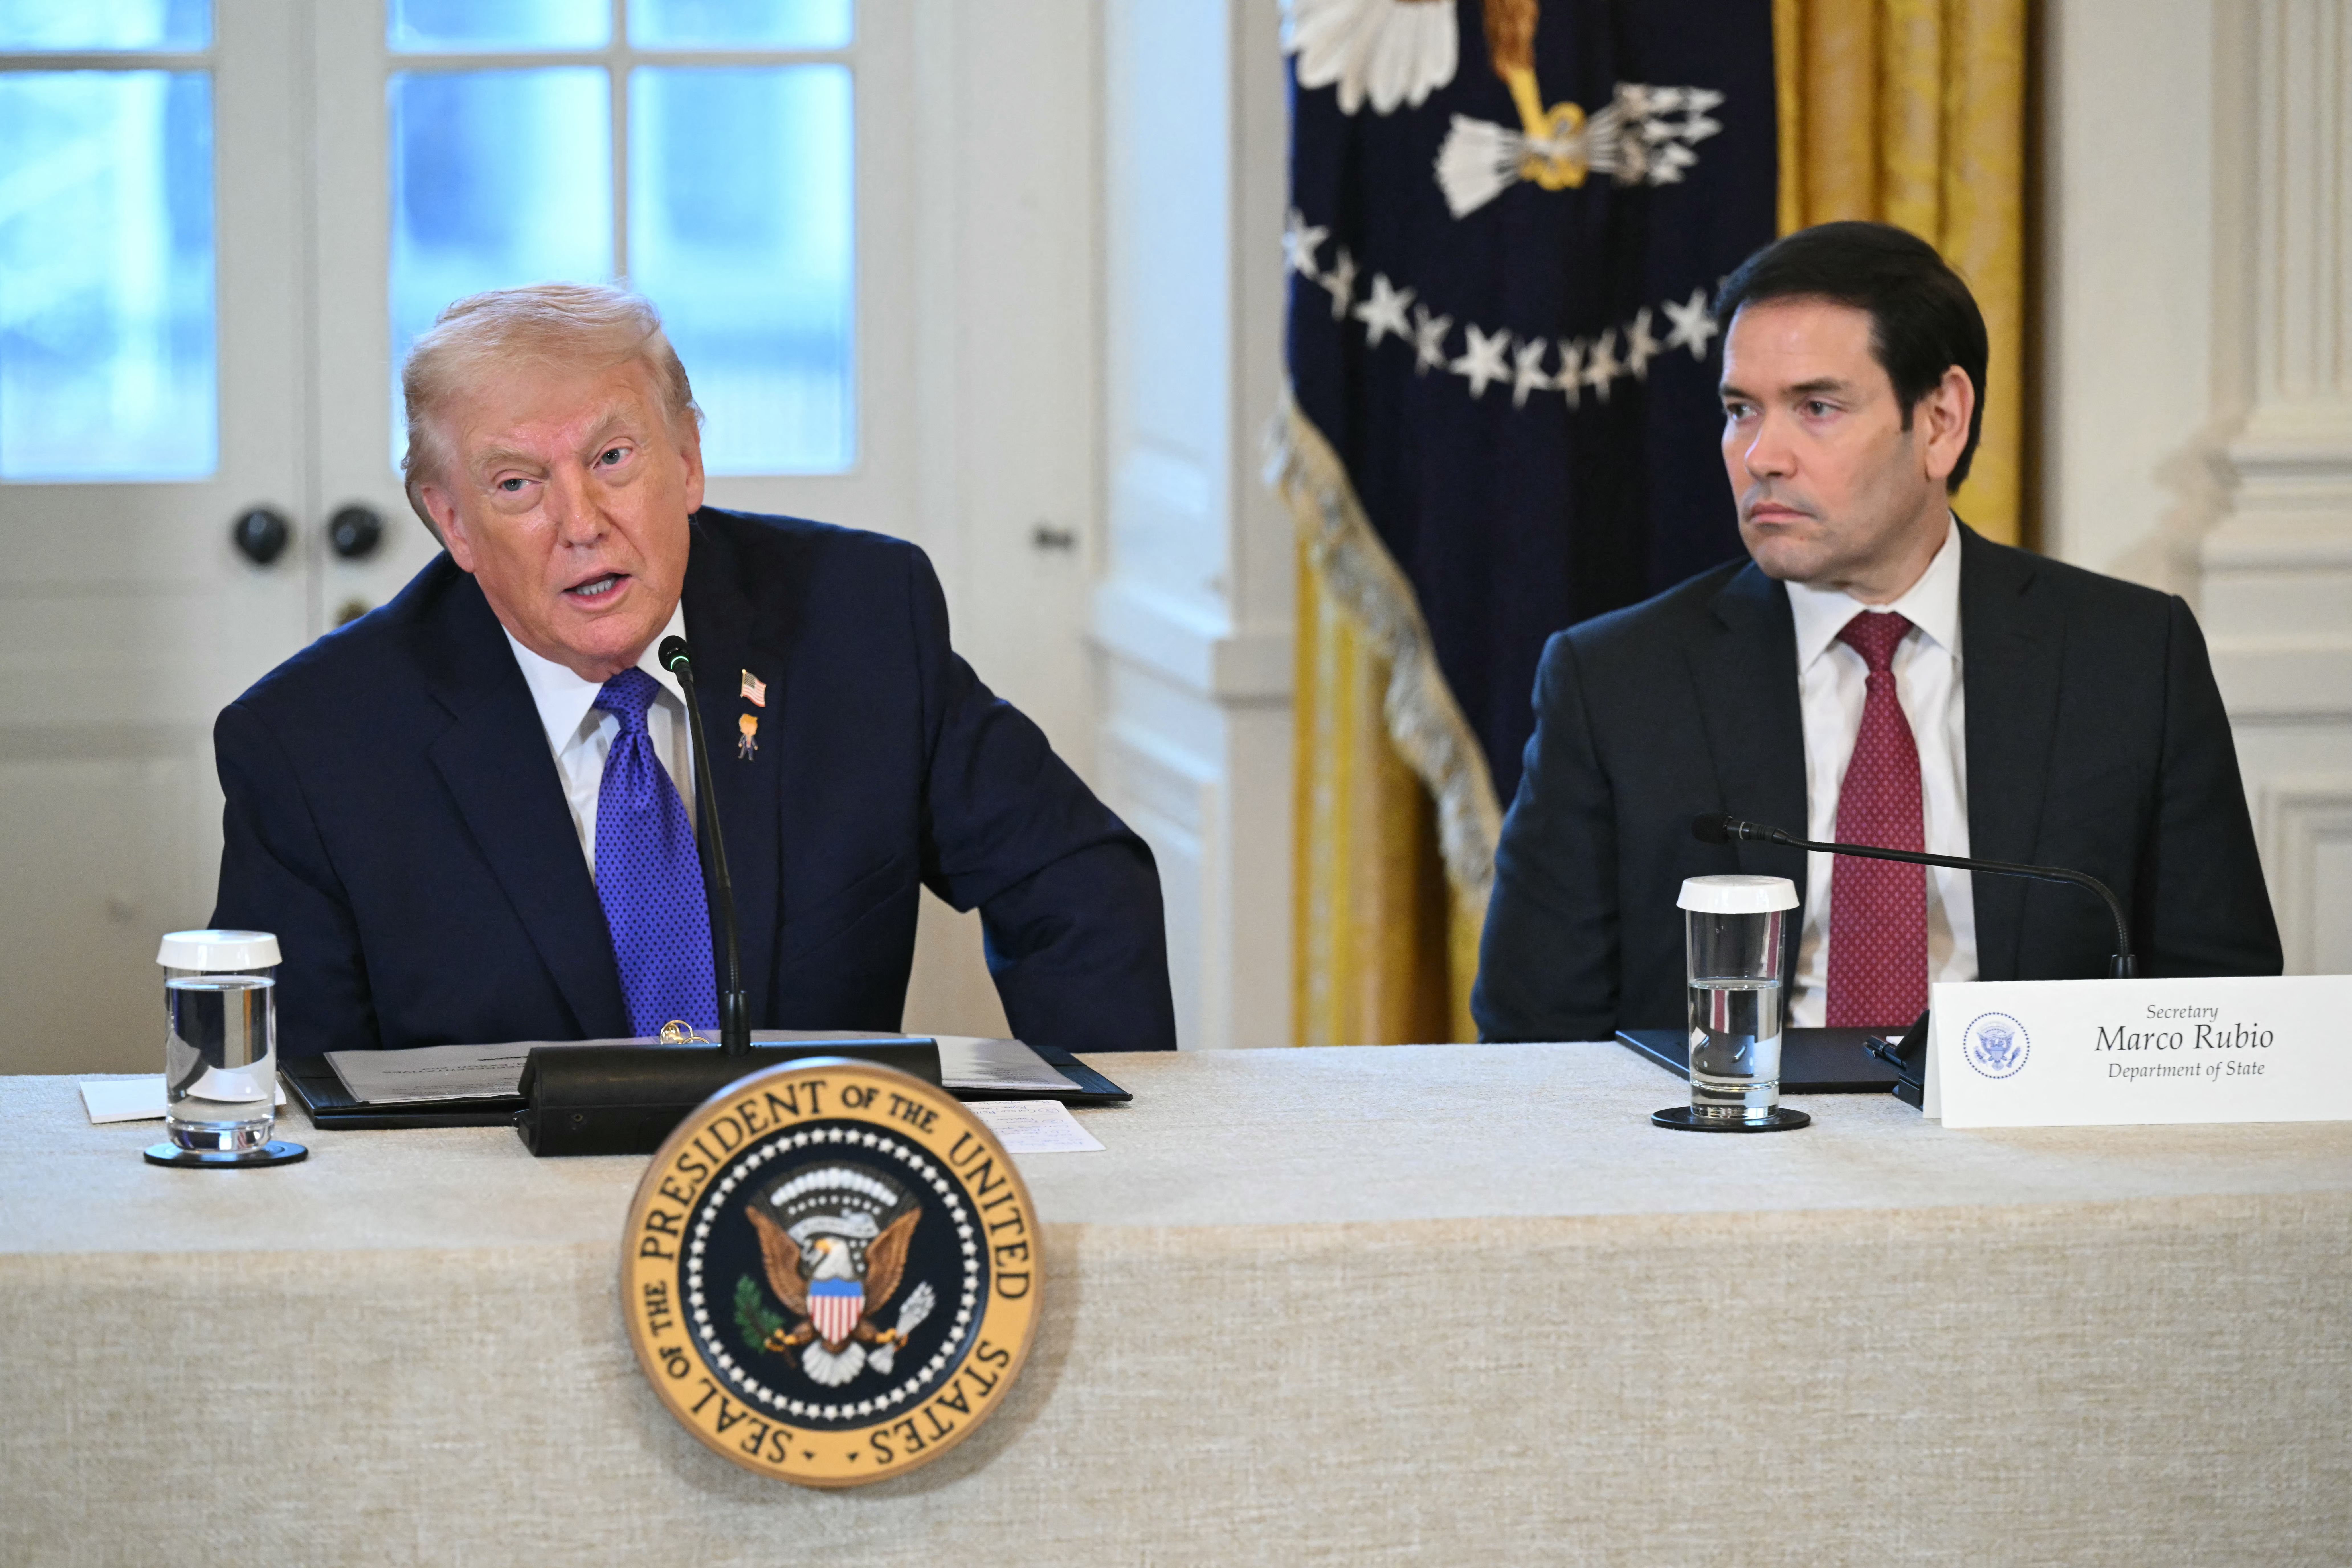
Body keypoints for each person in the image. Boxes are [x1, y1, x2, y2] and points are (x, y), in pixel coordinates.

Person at [212, 283, 1177, 1057]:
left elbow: (1079, 885)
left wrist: (1089, 1155)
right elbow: (297, 1089)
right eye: (518, 485)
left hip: (802, 1197)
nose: (582, 523)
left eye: (615, 458)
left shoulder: (857, 621)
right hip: (495, 1227)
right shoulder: (313, 746)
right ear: (451, 520)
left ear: (689, 460)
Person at [1473, 222, 2280, 1042]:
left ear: (1941, 422)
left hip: (2031, 1149)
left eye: (1816, 408)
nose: (1762, 455)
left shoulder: (2132, 657)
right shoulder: (1614, 680)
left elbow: (2223, 1000)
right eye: (1740, 410)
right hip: (1723, 1152)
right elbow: (1533, 1032)